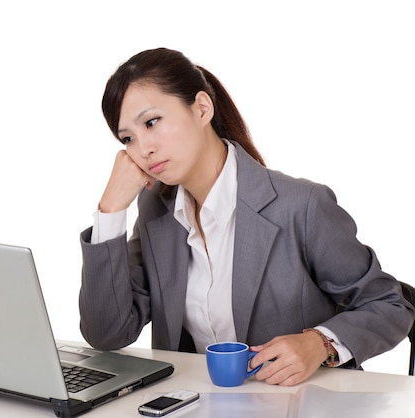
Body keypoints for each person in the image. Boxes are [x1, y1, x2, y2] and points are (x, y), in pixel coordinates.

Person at [78, 47, 415, 386]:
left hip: (305, 404)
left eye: (152, 122)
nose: (143, 149)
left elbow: (390, 305)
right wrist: (110, 212)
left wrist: (320, 343)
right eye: (127, 139)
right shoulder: (156, 211)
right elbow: (108, 333)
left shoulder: (301, 206)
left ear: (201, 108)